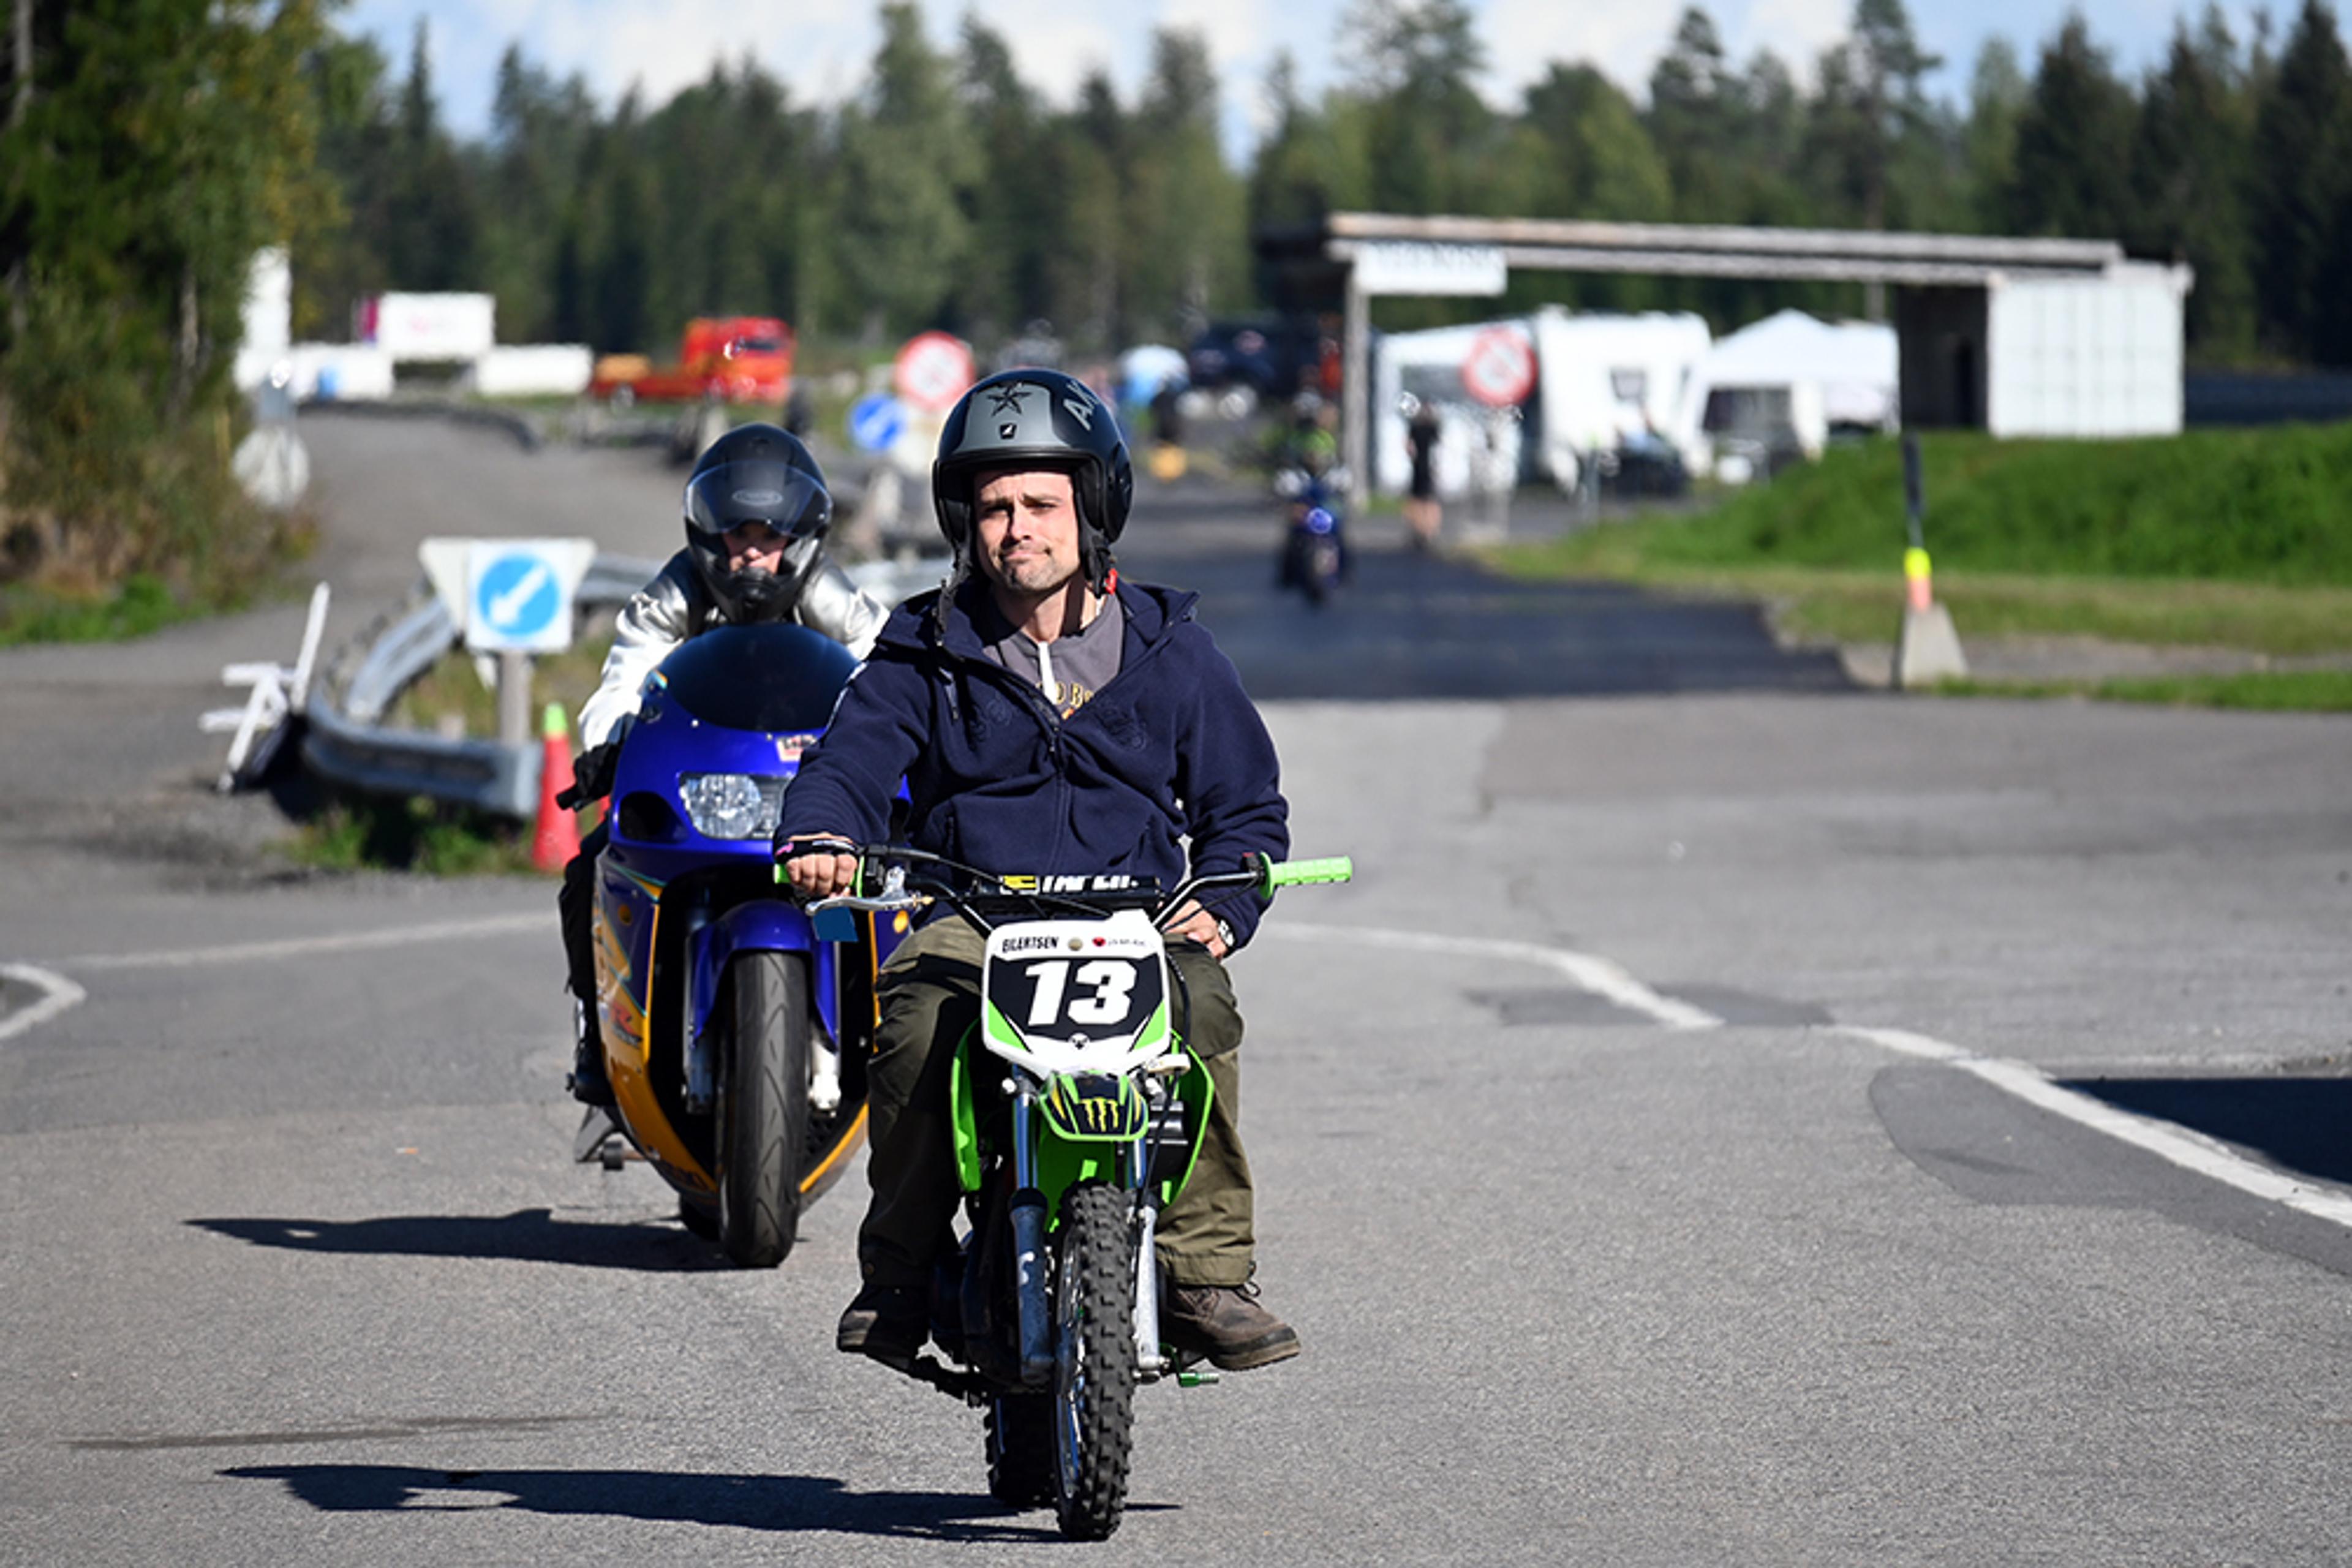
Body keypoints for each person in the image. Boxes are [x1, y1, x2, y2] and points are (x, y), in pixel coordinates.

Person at [775, 367, 1301, 1374]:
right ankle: (902, 1274)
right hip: (975, 921)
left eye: (1042, 504)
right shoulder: (921, 651)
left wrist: (1226, 901)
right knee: (915, 1023)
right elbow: (845, 770)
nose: (1018, 528)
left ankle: (1205, 1276)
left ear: (1093, 509)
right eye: (995, 508)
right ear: (963, 523)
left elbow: (1245, 811)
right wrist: (822, 836)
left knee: (1204, 1013)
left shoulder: (1176, 652)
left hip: (1136, 923)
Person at [560, 423, 889, 1107]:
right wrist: (613, 741)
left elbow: (886, 670)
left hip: (809, 786)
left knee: (910, 881)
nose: (753, 553)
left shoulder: (833, 598)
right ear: (709, 535)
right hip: (708, 784)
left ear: (800, 538)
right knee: (588, 868)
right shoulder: (672, 596)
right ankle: (595, 1033)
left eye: (770, 536)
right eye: (739, 535)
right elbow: (624, 675)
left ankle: (897, 1038)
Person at [1404, 394, 1442, 550]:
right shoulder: (1433, 428)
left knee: (1419, 500)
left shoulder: (1416, 427)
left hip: (1419, 467)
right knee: (1428, 500)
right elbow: (1439, 447)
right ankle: (1428, 530)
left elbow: (1408, 447)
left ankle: (1420, 529)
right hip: (1427, 467)